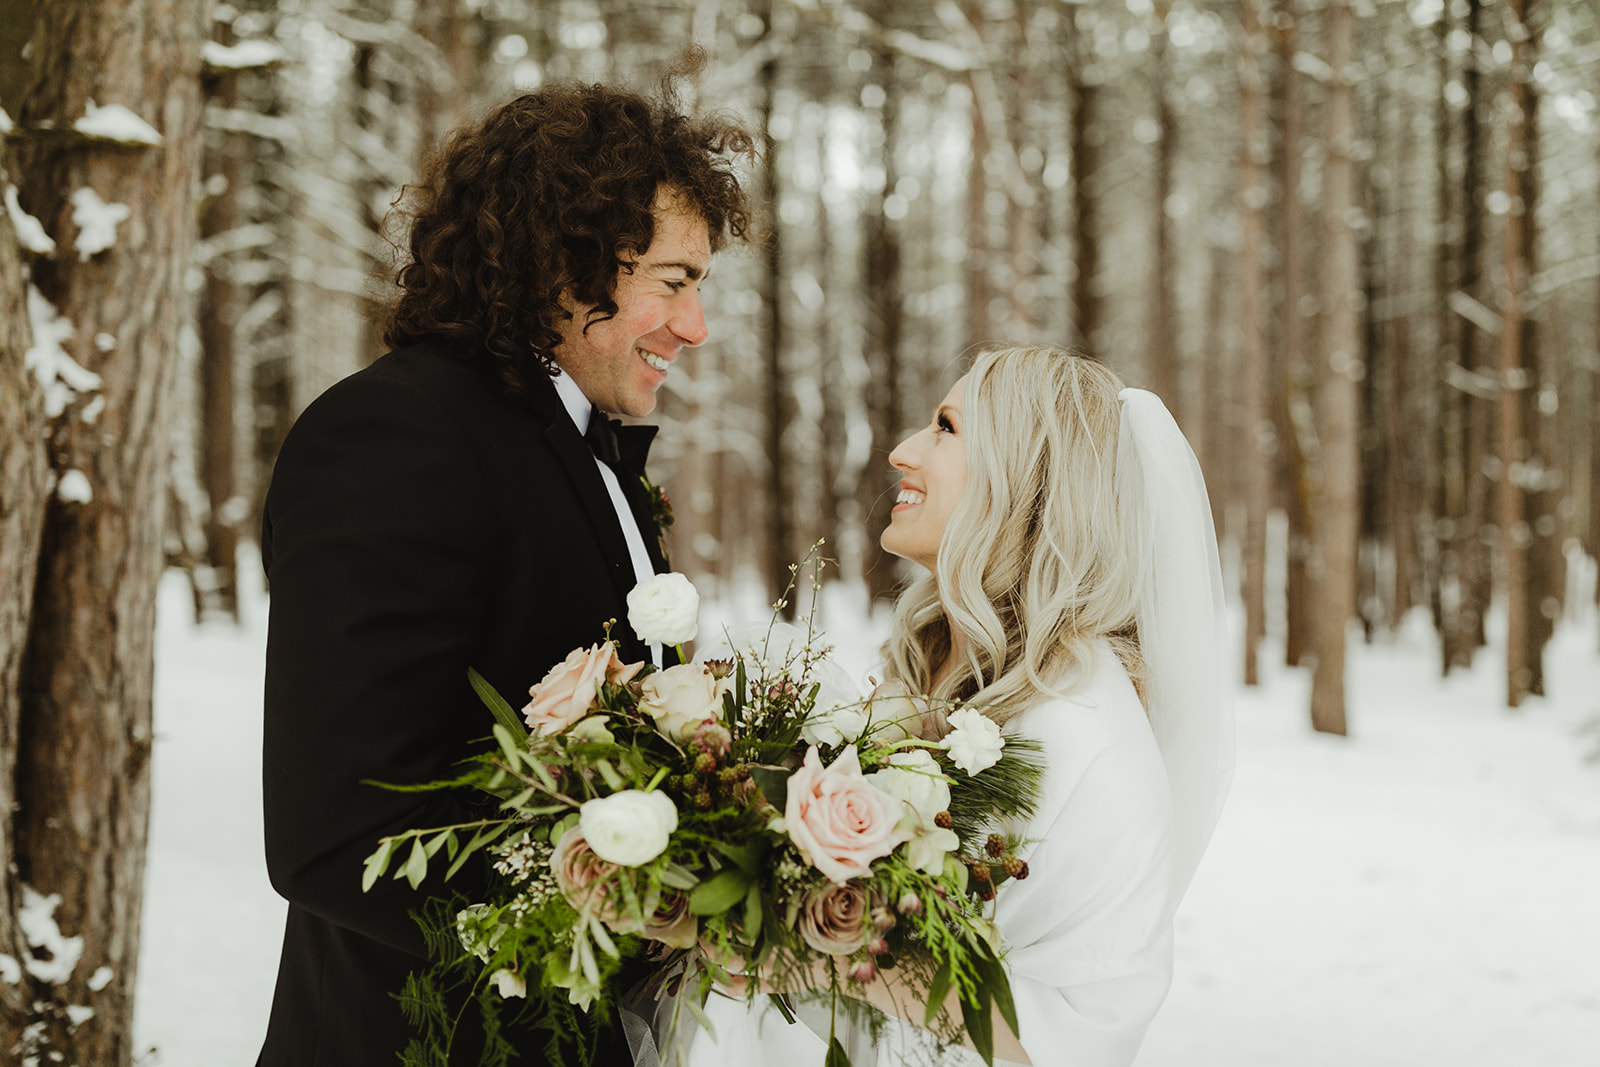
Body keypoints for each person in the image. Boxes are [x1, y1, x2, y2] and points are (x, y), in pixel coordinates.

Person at [256, 77, 752, 1067]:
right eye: (673, 280)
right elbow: (335, 830)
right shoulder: (396, 436)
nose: (694, 326)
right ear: (566, 270)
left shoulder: (581, 446)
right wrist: (642, 912)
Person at [691, 344, 1233, 1066]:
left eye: (945, 427)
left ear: (1023, 476)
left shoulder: (1083, 732)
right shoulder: (928, 663)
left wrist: (816, 954)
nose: (901, 450)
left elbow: (1078, 1031)